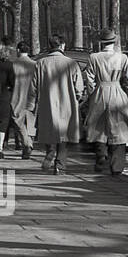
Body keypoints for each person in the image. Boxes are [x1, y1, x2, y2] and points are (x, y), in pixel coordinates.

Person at [83, 28, 128, 175]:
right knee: (119, 129)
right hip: (117, 91)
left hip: (100, 91)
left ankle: (101, 154)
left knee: (98, 126)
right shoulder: (122, 58)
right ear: (114, 41)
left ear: (101, 42)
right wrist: (127, 95)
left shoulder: (94, 57)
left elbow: (89, 79)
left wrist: (92, 94)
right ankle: (117, 166)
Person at [31, 35, 86, 173]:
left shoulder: (40, 63)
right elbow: (79, 87)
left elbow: (33, 86)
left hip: (46, 102)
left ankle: (50, 151)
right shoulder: (71, 63)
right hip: (67, 102)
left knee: (49, 129)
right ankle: (60, 164)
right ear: (62, 46)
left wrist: (32, 103)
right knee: (64, 133)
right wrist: (77, 97)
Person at [9, 42, 37, 159]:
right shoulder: (35, 64)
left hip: (16, 94)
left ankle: (26, 144)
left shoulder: (13, 64)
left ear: (18, 50)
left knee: (18, 120)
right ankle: (28, 142)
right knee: (31, 122)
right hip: (32, 95)